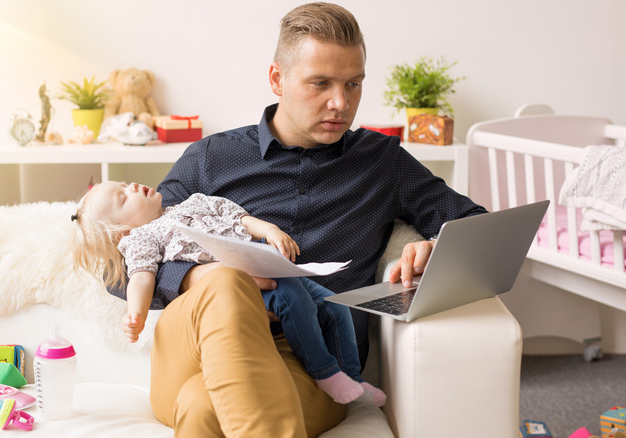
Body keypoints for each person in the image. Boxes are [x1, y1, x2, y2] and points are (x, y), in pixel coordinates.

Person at [107, 3, 487, 437]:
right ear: (277, 80)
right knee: (225, 282)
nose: (340, 103)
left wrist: (436, 248)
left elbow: (477, 225)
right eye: (320, 83)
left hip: (314, 363)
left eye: (354, 84)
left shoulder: (383, 162)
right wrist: (202, 278)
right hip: (193, 346)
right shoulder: (212, 158)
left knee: (201, 406)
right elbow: (116, 261)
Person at [71, 181, 386, 406]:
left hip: (265, 259)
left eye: (125, 184)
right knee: (296, 302)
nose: (133, 187)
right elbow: (141, 277)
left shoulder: (192, 202)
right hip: (238, 283)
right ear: (123, 233)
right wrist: (135, 314)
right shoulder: (142, 237)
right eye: (123, 199)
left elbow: (240, 218)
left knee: (335, 307)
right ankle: (325, 372)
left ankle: (353, 379)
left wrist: (271, 231)